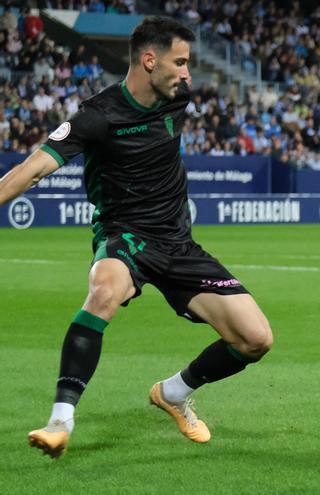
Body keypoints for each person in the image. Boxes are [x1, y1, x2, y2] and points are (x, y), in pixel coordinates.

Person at [0, 17, 274, 459]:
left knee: (256, 338)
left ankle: (174, 391)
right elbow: (34, 168)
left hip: (178, 243)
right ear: (150, 60)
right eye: (180, 62)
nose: (188, 73)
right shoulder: (97, 116)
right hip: (124, 234)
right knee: (104, 291)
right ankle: (60, 420)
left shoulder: (177, 98)